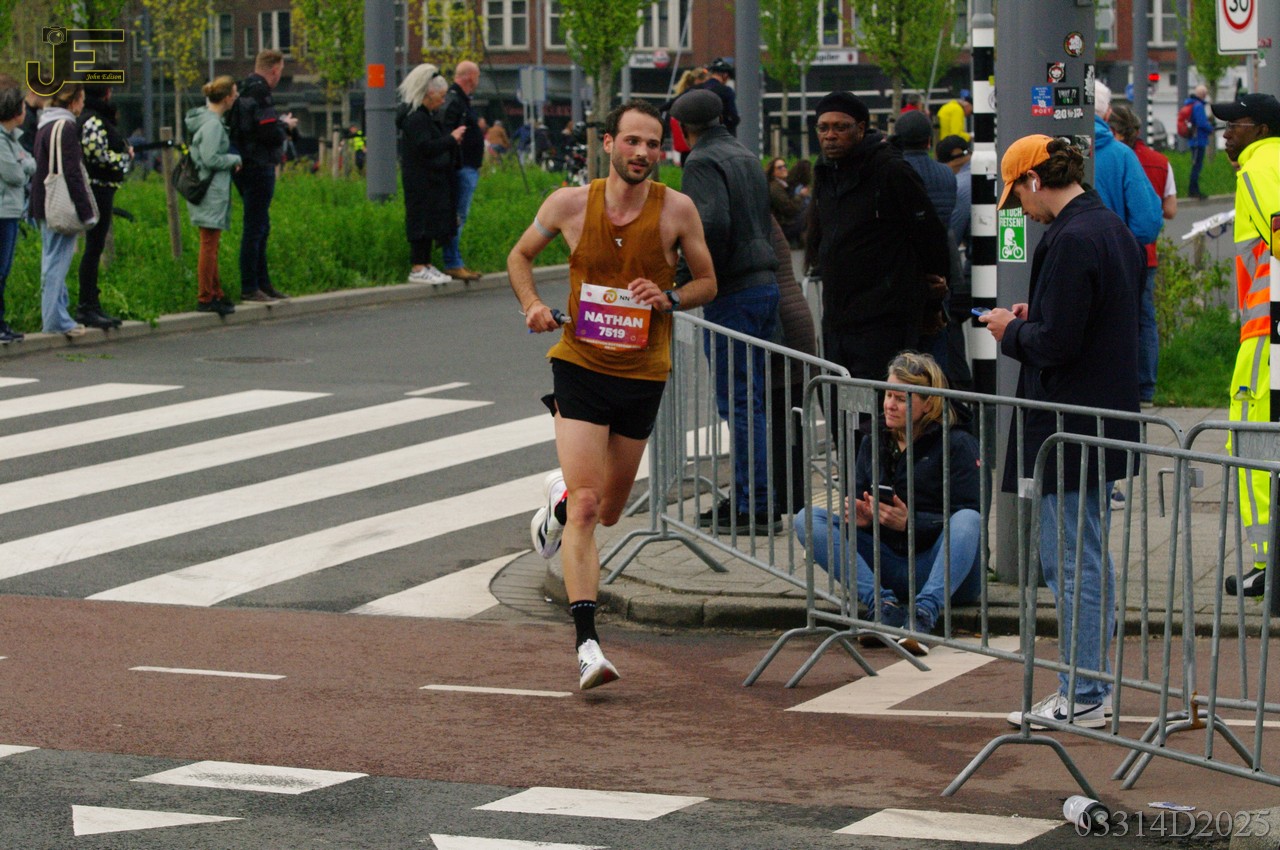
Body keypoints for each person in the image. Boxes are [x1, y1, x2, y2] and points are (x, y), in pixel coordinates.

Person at [507, 100, 717, 689]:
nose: (643, 153)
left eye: (653, 144)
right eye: (632, 141)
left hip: (643, 373)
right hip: (580, 364)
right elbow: (520, 256)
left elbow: (707, 281)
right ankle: (587, 647)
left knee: (611, 510)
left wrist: (669, 298)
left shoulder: (677, 210)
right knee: (588, 506)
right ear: (608, 144)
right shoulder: (570, 204)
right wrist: (532, 305)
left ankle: (556, 501)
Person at [978, 135, 1143, 728]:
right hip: (1102, 417)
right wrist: (1038, 318)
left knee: (1072, 564)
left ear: (1033, 180)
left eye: (1019, 197)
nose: (1022, 211)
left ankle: (1086, 693)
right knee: (1086, 557)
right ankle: (1087, 686)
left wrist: (1011, 331)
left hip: (1069, 424)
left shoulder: (1070, 239)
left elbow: (1058, 344)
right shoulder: (1109, 227)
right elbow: (1096, 322)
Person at [794, 352, 981, 655]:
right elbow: (857, 497)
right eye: (888, 395)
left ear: (929, 404)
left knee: (969, 518)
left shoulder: (958, 443)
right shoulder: (873, 439)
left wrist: (910, 523)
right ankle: (883, 607)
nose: (890, 405)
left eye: (902, 399)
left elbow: (970, 516)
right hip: (888, 562)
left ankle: (923, 615)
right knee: (807, 518)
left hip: (942, 569)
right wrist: (861, 515)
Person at [670, 88, 781, 533]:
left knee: (738, 402)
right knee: (752, 400)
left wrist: (687, 276)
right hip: (763, 283)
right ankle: (754, 496)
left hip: (732, 289)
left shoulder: (700, 162)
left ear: (682, 128)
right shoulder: (744, 154)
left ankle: (754, 505)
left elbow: (710, 224)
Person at [809, 91, 950, 383]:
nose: (830, 135)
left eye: (840, 127)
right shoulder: (824, 172)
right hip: (837, 316)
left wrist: (932, 299)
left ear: (861, 128)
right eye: (823, 128)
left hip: (885, 319)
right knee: (835, 397)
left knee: (882, 402)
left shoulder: (890, 169)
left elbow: (930, 235)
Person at [1210, 92, 1280, 604]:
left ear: (1260, 129)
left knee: (1254, 445)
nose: (1227, 133)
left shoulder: (1259, 169)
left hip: (1266, 333)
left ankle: (1267, 564)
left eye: (1236, 123)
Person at [1108, 102, 1177, 408]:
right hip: (1146, 254)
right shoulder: (1160, 162)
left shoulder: (1112, 157)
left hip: (1115, 250)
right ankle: (1146, 386)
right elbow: (1170, 209)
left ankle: (1119, 381)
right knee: (1145, 319)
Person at [891, 110, 956, 373]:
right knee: (935, 355)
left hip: (905, 273)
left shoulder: (895, 172)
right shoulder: (946, 174)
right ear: (929, 141)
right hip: (940, 271)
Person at [231, 48, 298, 302]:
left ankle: (263, 283)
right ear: (275, 70)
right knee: (256, 227)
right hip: (259, 165)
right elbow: (268, 131)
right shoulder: (262, 93)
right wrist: (285, 127)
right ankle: (251, 285)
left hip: (242, 165)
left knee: (260, 225)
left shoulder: (242, 88)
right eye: (280, 70)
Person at [31, 84, 95, 337]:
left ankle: (57, 314)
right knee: (58, 262)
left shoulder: (44, 124)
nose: (83, 105)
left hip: (42, 201)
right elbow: (72, 172)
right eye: (82, 99)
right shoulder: (66, 127)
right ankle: (55, 320)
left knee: (50, 259)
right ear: (73, 101)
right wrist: (85, 210)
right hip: (60, 203)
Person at [398, 63, 466, 286]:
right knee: (420, 221)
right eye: (441, 96)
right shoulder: (416, 118)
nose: (443, 101)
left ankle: (425, 263)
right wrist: (451, 139)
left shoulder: (424, 116)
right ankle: (418, 266)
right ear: (429, 93)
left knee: (429, 221)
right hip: (419, 180)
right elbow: (425, 147)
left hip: (430, 180)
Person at [76, 73, 131, 330]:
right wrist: (124, 159)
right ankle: (87, 305)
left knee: (94, 247)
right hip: (98, 188)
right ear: (106, 92)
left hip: (100, 188)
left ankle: (91, 302)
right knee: (93, 248)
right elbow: (98, 154)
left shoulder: (93, 117)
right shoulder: (94, 120)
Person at [184, 76, 242, 316]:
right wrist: (234, 159)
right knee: (209, 245)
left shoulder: (206, 120)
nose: (236, 97)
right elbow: (210, 158)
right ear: (226, 98)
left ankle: (215, 292)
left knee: (211, 244)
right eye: (234, 93)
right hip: (210, 192)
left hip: (207, 190)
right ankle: (206, 295)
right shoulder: (214, 125)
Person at [1091, 83, 1163, 249]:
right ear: (1107, 114)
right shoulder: (1121, 155)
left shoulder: (1042, 148)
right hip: (1110, 253)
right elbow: (1147, 224)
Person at [935, 134, 974, 391]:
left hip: (974, 271)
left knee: (952, 321)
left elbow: (953, 232)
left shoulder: (960, 185)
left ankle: (962, 389)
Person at [440, 61, 484, 282]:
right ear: (470, 77)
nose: (478, 81)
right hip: (462, 167)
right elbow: (448, 132)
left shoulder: (461, 100)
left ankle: (454, 260)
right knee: (457, 215)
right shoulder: (455, 101)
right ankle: (452, 262)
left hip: (467, 166)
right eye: (477, 76)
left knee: (459, 215)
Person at [0, 75, 34, 343]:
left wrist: (23, 163)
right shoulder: (2, 141)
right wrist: (23, 165)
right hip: (3, 211)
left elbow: (29, 162)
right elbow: (14, 174)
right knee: (1, 270)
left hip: (10, 210)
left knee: (4, 270)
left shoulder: (12, 139)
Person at [666, 67, 708, 159]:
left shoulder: (685, 93)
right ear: (698, 80)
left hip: (686, 141)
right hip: (695, 138)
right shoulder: (695, 92)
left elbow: (669, 105)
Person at [765, 157, 806, 246]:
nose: (783, 169)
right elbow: (789, 209)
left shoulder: (782, 184)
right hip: (782, 226)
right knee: (809, 214)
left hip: (786, 222)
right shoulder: (775, 188)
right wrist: (800, 196)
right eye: (779, 167)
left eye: (785, 166)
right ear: (773, 172)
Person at [695, 57, 739, 136]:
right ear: (725, 75)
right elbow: (733, 116)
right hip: (722, 134)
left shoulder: (698, 88)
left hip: (701, 135)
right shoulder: (727, 91)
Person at [1185, 84, 1215, 200]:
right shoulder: (1198, 106)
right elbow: (1201, 123)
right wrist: (1210, 129)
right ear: (1203, 94)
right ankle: (1193, 190)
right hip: (1198, 141)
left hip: (1194, 140)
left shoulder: (1191, 104)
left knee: (1196, 165)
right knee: (1196, 166)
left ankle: (1193, 189)